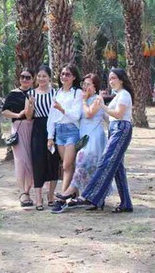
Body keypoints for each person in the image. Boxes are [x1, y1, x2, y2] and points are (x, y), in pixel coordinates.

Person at [75, 68, 135, 213]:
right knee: (117, 168)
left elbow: (119, 114)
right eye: (110, 79)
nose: (111, 81)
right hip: (115, 128)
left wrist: (102, 106)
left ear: (121, 80)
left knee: (106, 162)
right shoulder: (117, 95)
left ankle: (90, 195)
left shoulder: (124, 95)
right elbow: (110, 118)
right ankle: (126, 203)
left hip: (121, 128)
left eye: (114, 78)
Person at [51, 73, 110, 213]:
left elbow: (89, 114)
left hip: (94, 136)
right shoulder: (84, 98)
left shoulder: (97, 99)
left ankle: (70, 191)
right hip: (83, 137)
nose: (85, 87)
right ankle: (96, 198)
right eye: (84, 84)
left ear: (95, 87)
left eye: (88, 84)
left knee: (83, 161)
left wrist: (84, 101)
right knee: (92, 167)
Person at [24, 65, 60, 210]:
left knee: (53, 162)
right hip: (38, 128)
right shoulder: (31, 94)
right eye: (39, 76)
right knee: (38, 162)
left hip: (54, 129)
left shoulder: (56, 93)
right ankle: (38, 198)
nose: (41, 79)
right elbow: (28, 116)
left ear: (49, 77)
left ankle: (51, 195)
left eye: (44, 76)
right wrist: (31, 105)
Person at [47, 64, 83, 200]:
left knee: (67, 165)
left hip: (72, 131)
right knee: (67, 165)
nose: (64, 77)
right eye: (62, 74)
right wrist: (50, 137)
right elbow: (52, 117)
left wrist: (62, 109)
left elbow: (76, 115)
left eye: (68, 74)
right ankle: (73, 196)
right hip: (59, 131)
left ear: (74, 77)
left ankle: (62, 195)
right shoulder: (57, 93)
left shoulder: (77, 93)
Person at [1, 69, 35, 207]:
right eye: (23, 77)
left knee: (32, 161)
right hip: (19, 129)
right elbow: (5, 111)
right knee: (21, 161)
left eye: (28, 77)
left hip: (34, 129)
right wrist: (18, 115)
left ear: (33, 79)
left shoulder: (36, 93)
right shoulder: (13, 94)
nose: (25, 79)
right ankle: (22, 192)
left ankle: (27, 191)